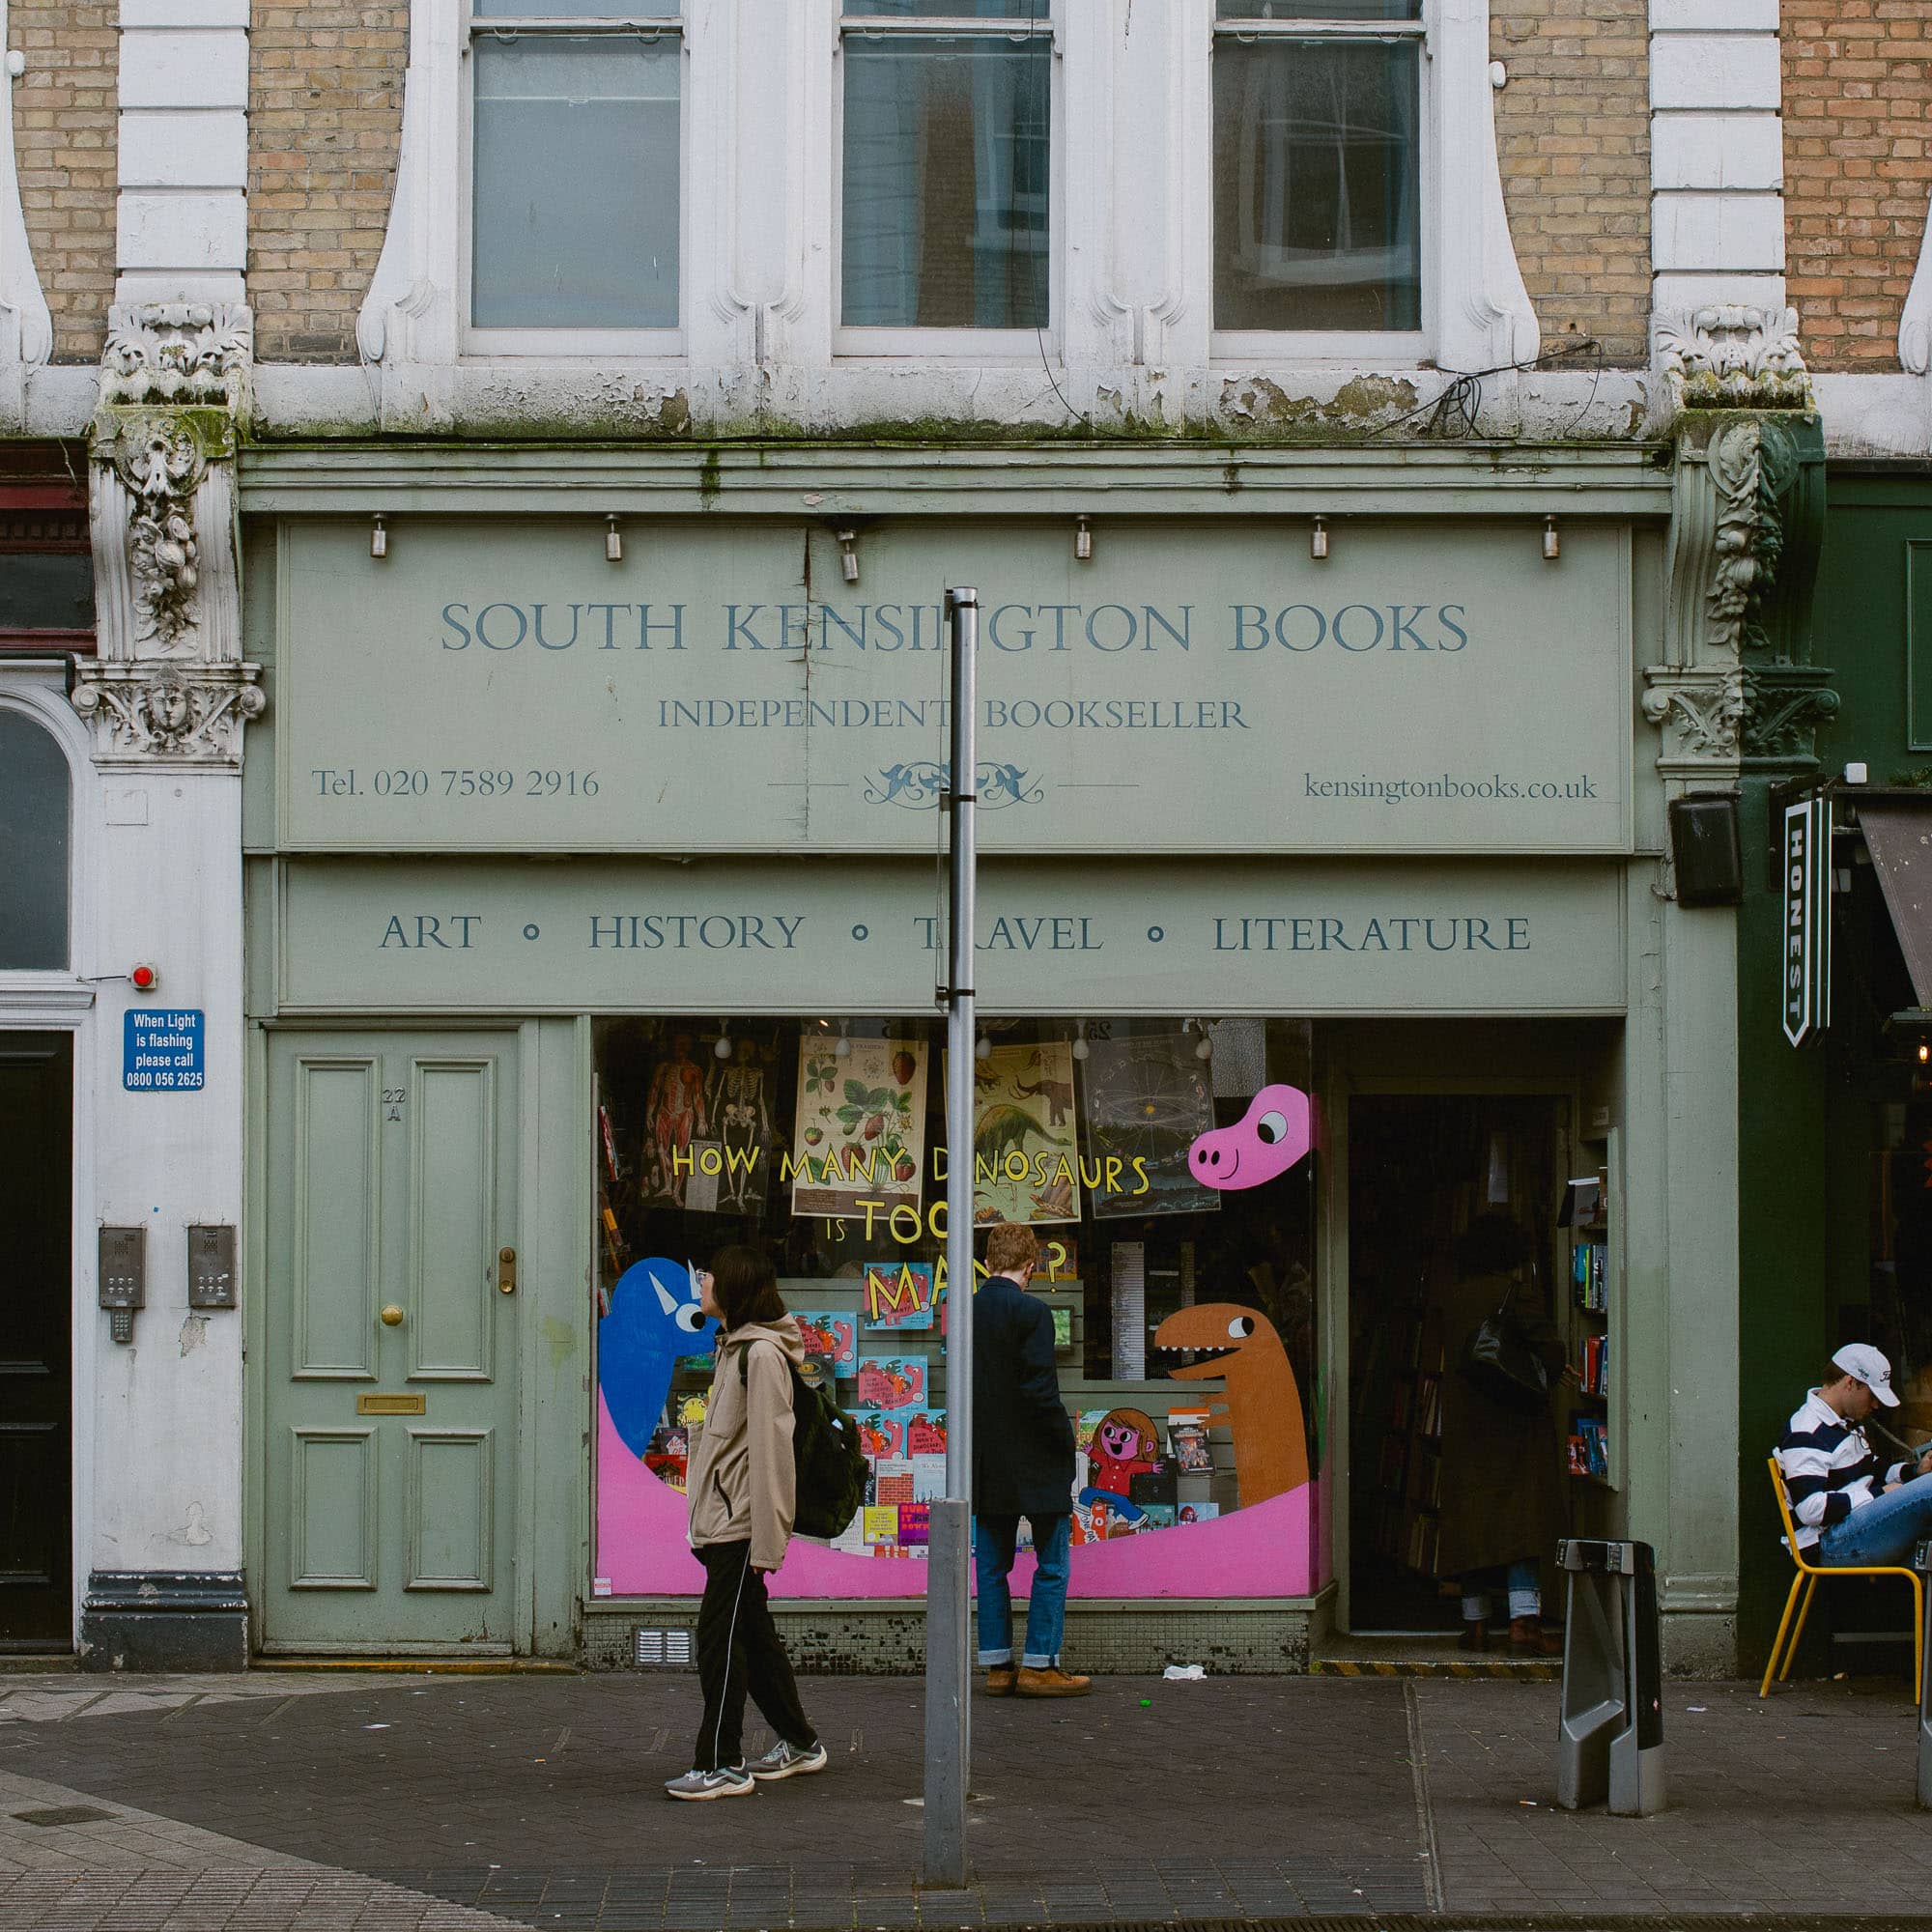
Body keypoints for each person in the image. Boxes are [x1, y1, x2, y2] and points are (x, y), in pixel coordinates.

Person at [665, 1246, 828, 1801]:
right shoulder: (732, 1349)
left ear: (735, 1286)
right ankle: (801, 1742)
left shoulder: (759, 1356)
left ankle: (720, 1762)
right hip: (723, 1523)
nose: (703, 1278)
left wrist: (768, 1540)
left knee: (719, 1643)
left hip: (741, 1529)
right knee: (752, 1643)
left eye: (710, 1273)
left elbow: (772, 1452)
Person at [1434, 1214, 1569, 1657]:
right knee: (1520, 1522)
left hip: (1464, 1424)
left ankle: (1474, 1625)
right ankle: (1522, 1624)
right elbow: (1550, 1350)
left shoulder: (1452, 1298)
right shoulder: (1515, 1293)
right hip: (1512, 1422)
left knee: (1472, 1523)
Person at [972, 1221, 1090, 1697]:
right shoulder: (1034, 1313)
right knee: (1052, 1563)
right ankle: (1040, 1664)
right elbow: (1041, 1390)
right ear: (1031, 1264)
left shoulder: (966, 1311)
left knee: (992, 1566)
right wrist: (1065, 1442)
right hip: (1036, 1459)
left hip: (987, 1459)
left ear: (987, 1261)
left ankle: (999, 1666)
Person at [1777, 1343, 1932, 1567]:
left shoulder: (1847, 1423)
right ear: (1850, 1382)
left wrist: (1916, 1471)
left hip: (1856, 1530)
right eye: (1872, 1395)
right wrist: (1879, 1494)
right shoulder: (1807, 1430)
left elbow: (1874, 1469)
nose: (1876, 1405)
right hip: (1830, 1542)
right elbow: (1810, 1509)